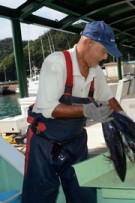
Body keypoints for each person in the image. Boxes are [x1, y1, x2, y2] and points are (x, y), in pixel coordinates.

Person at [21, 21, 124, 203]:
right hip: (43, 144)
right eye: (103, 50)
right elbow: (50, 109)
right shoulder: (56, 62)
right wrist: (87, 110)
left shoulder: (96, 71)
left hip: (75, 144)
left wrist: (126, 123)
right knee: (40, 197)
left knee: (83, 195)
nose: (105, 57)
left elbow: (109, 100)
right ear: (89, 42)